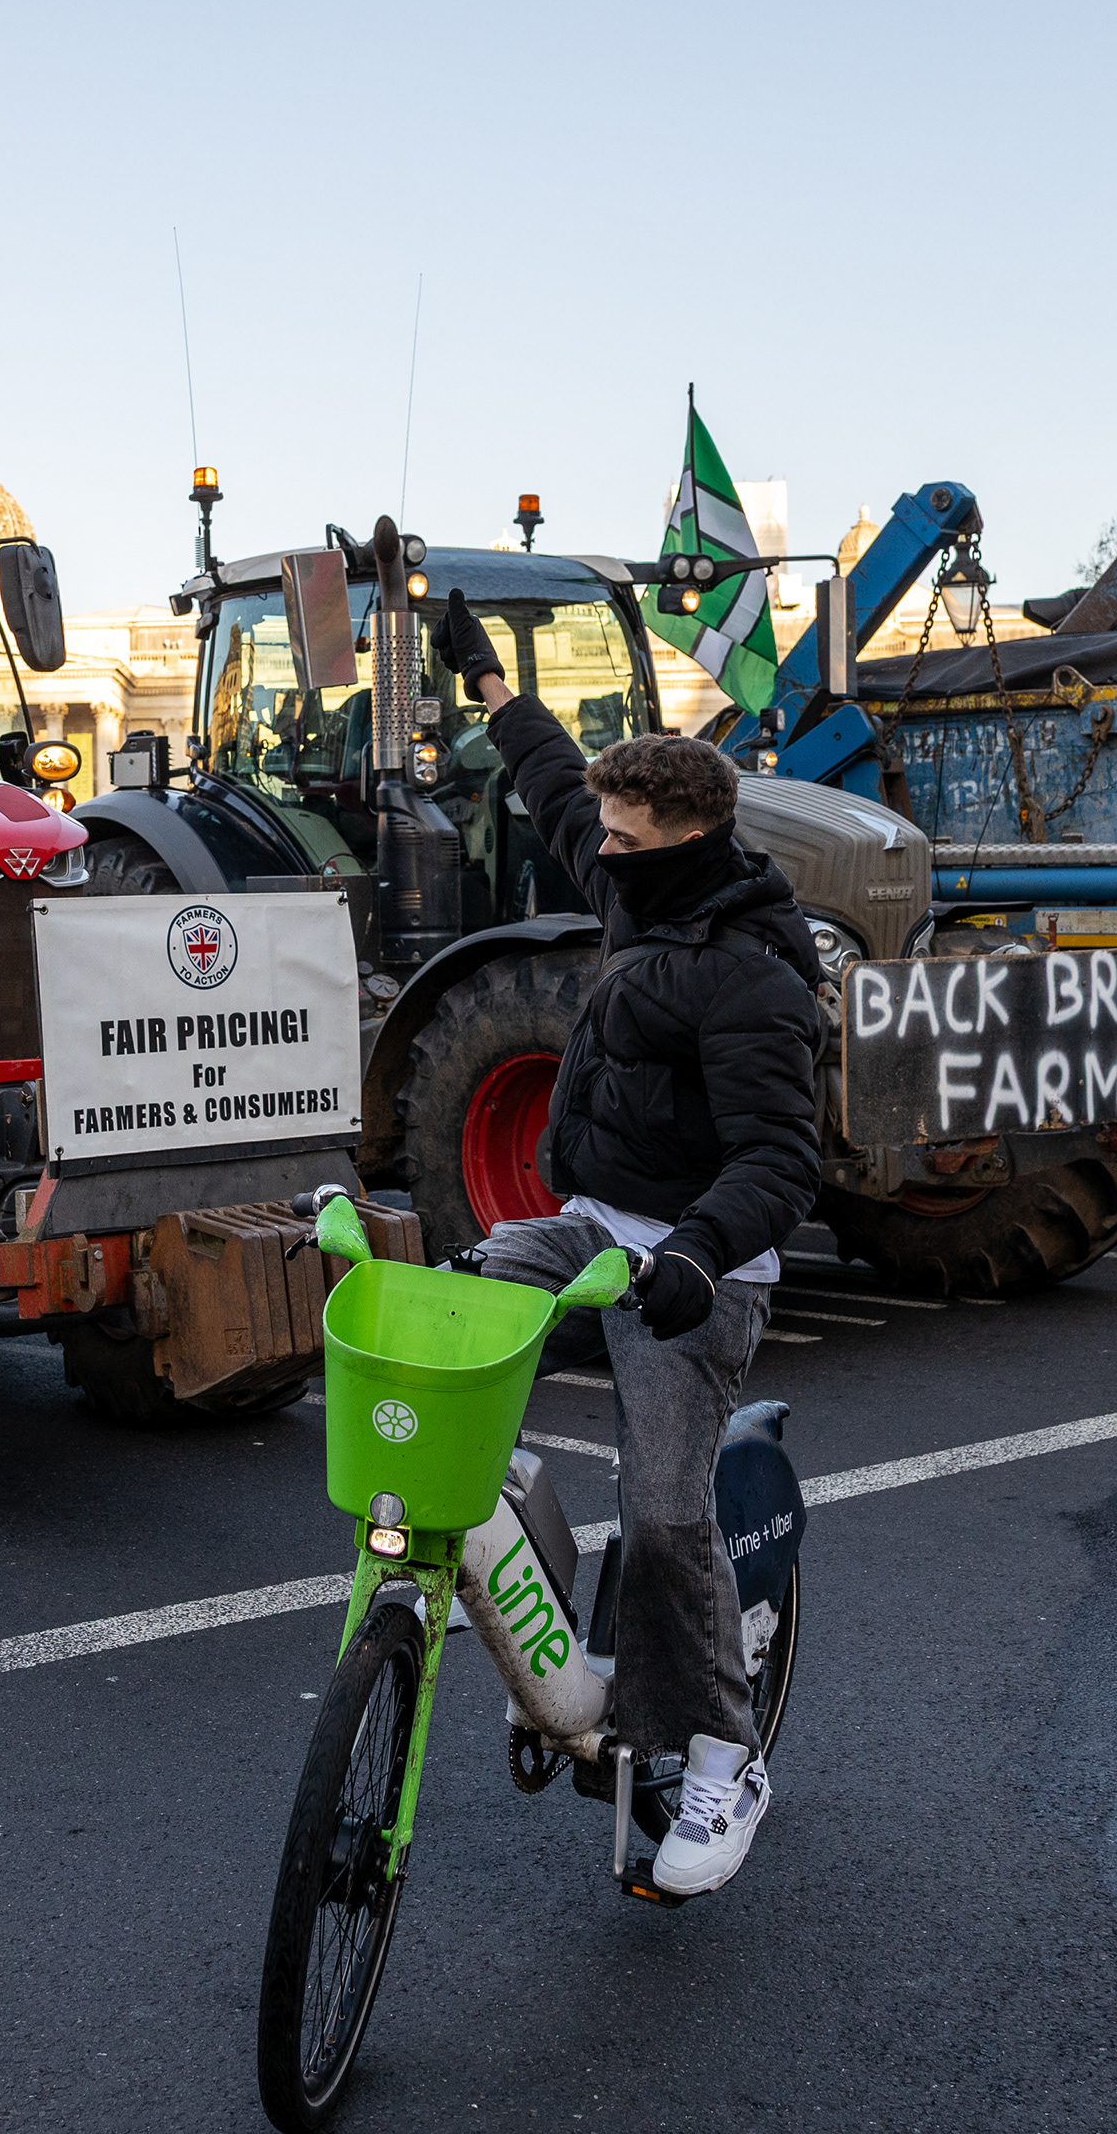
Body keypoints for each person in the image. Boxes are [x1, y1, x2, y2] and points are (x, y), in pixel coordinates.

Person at [430, 589, 822, 1897]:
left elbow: (782, 1158)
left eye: (622, 836)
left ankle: (722, 1757)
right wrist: (489, 686)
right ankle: (546, 1637)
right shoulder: (643, 891)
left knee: (663, 1518)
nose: (598, 853)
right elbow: (551, 784)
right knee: (456, 1316)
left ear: (689, 840)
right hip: (593, 1228)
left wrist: (700, 1255)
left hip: (692, 1271)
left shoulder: (752, 974)